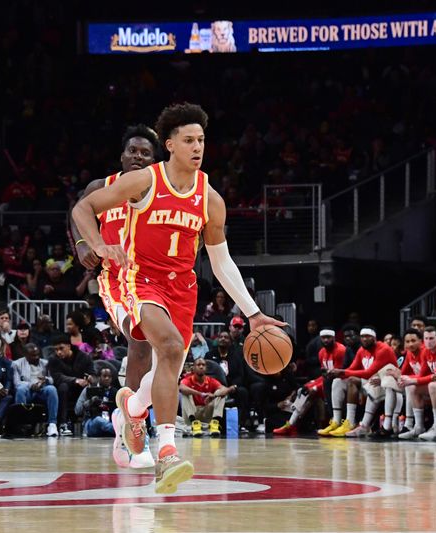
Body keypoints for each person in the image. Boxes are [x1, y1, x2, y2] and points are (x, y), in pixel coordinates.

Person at [72, 103, 282, 493]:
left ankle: (133, 411)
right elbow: (84, 207)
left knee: (169, 362)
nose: (197, 147)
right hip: (136, 278)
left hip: (182, 288)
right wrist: (98, 244)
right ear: (169, 144)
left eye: (201, 140)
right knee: (165, 346)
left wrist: (254, 314)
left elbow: (221, 263)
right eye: (188, 140)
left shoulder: (210, 199)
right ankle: (167, 451)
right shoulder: (144, 182)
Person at [69, 125, 160, 468]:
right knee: (141, 339)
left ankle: (129, 418)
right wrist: (82, 246)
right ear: (122, 155)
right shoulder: (101, 188)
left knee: (161, 350)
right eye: (133, 151)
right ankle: (137, 427)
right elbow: (77, 214)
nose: (138, 156)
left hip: (151, 279)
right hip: (115, 279)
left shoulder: (156, 191)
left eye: (146, 153)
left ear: (154, 161)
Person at [274, 329, 347, 436]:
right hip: (328, 382)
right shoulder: (322, 352)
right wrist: (308, 385)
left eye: (328, 337)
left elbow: (337, 375)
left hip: (340, 382)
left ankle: (334, 422)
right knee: (303, 390)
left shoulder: (340, 350)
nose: (326, 340)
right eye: (323, 338)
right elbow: (324, 376)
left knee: (313, 390)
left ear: (334, 338)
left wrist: (315, 387)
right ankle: (291, 424)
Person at [12, 343, 59, 437]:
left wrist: (45, 380)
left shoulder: (45, 363)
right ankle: (22, 424)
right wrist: (31, 385)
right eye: (33, 355)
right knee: (21, 389)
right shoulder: (16, 364)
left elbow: (52, 380)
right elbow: (16, 383)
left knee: (52, 389)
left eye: (38, 354)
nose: (36, 357)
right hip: (27, 391)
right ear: (25, 355)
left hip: (42, 390)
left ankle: (52, 424)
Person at [179, 358, 230, 438]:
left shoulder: (211, 380)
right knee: (185, 394)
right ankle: (194, 423)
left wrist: (214, 395)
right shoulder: (187, 380)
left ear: (206, 368)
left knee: (220, 393)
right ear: (193, 368)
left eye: (203, 365)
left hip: (207, 412)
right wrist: (201, 394)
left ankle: (215, 423)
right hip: (193, 413)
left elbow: (224, 389)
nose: (201, 367)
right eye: (198, 365)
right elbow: (181, 388)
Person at [75, 367, 120, 437]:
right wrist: (90, 401)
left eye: (109, 377)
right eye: (104, 376)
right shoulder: (89, 390)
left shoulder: (115, 392)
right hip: (91, 423)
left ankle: (117, 430)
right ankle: (120, 432)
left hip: (110, 421)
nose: (107, 378)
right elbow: (77, 410)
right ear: (99, 377)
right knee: (99, 421)